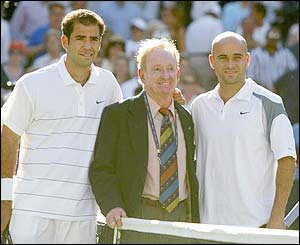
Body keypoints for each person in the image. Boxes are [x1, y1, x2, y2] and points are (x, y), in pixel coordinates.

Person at [1, 9, 123, 244]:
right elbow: (7, 139)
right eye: (80, 38)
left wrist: (168, 98)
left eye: (93, 39)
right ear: (65, 41)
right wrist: (5, 201)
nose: (88, 46)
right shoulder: (32, 84)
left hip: (83, 216)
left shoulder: (108, 84)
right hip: (32, 212)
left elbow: (123, 129)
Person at [89, 38, 200, 233]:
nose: (165, 75)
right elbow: (101, 169)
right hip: (138, 216)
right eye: (157, 69)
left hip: (182, 217)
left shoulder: (186, 117)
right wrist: (112, 205)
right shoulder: (119, 115)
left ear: (178, 73)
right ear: (142, 75)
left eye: (170, 68)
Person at [191, 31, 297, 229]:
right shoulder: (198, 106)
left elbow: (287, 160)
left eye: (237, 57)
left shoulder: (271, 103)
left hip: (255, 228)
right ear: (212, 61)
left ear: (247, 59)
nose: (230, 64)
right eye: (223, 58)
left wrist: (277, 216)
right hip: (208, 229)